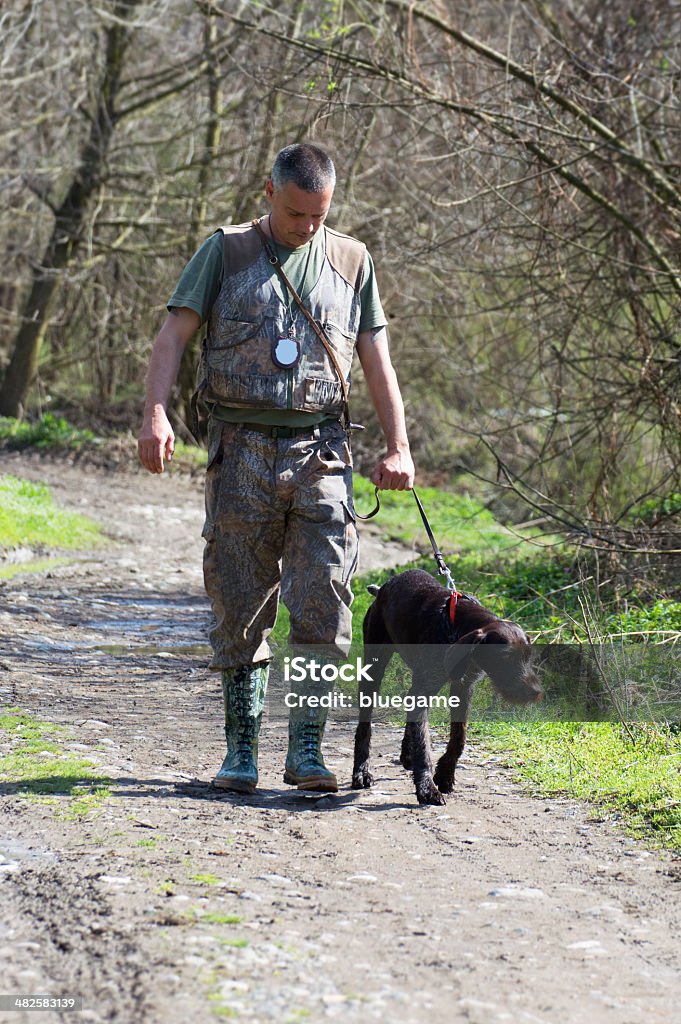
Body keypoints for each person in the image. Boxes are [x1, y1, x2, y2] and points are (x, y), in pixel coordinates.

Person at [138, 142, 414, 795]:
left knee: (323, 600)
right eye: (295, 214)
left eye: (318, 215)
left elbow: (377, 359)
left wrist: (398, 445)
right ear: (269, 193)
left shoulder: (351, 260)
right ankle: (240, 751)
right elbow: (171, 337)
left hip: (323, 452)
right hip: (241, 450)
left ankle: (308, 750)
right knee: (239, 600)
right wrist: (154, 415)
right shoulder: (225, 251)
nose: (307, 227)